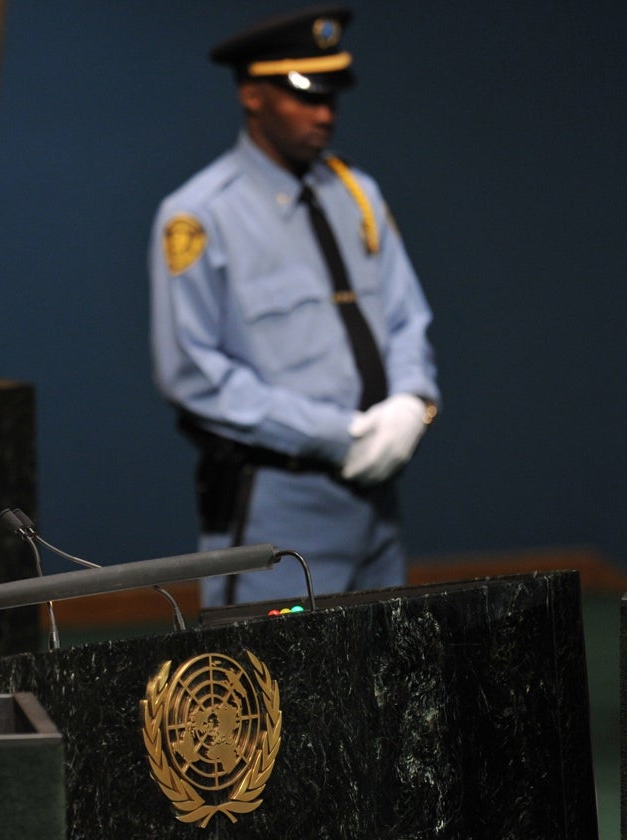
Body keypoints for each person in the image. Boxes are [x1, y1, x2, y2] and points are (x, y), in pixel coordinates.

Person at [149, 6, 440, 608]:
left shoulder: (356, 193)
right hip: (277, 502)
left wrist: (411, 400)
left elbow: (407, 315)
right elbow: (194, 373)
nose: (324, 113)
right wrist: (344, 436)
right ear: (253, 95)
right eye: (303, 95)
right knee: (271, 685)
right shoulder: (203, 215)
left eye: (332, 96)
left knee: (384, 677)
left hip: (377, 500)